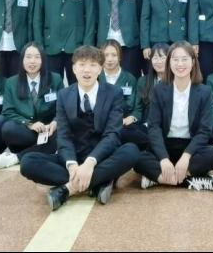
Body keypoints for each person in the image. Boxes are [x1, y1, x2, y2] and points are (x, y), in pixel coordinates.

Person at [20, 46, 141, 211]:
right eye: (82, 64)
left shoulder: (114, 93)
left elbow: (112, 135)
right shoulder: (64, 95)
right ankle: (100, 181)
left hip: (102, 157)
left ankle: (68, 188)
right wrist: (72, 165)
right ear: (74, 68)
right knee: (28, 162)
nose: (87, 70)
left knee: (131, 151)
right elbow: (63, 136)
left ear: (100, 69)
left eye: (93, 65)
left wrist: (90, 163)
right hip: (74, 157)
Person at [134, 41, 213, 192]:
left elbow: (204, 131)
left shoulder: (204, 92)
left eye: (184, 59)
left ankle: (159, 179)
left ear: (193, 62)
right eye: (175, 59)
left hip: (191, 147)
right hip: (166, 145)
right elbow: (154, 127)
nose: (180, 64)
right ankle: (193, 180)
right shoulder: (160, 90)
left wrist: (186, 156)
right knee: (137, 158)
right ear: (169, 63)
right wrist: (163, 158)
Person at [0, 43, 64, 169]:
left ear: (43, 60)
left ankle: (17, 157)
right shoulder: (11, 82)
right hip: (26, 131)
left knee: (62, 132)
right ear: (22, 60)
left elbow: (62, 108)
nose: (32, 61)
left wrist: (54, 123)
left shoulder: (55, 79)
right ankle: (45, 149)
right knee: (7, 129)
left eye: (37, 57)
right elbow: (8, 111)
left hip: (49, 130)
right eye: (28, 57)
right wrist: (30, 124)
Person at [99, 40, 142, 147]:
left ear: (120, 57)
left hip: (123, 123)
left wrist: (132, 117)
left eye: (114, 55)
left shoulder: (130, 78)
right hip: (99, 123)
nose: (109, 59)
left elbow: (137, 108)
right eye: (106, 55)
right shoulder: (95, 77)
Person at [129, 43, 170, 149]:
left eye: (163, 58)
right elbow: (138, 109)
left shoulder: (177, 80)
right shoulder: (143, 81)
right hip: (147, 126)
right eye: (155, 58)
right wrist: (132, 118)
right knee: (125, 132)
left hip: (169, 127)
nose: (159, 62)